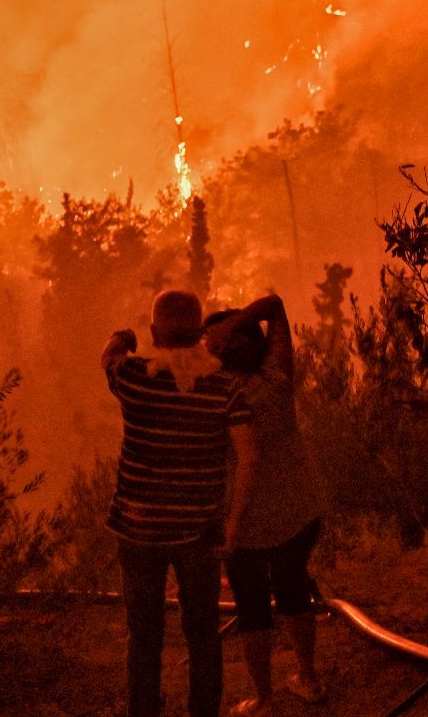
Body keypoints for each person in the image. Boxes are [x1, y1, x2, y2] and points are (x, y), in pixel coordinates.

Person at [102, 289, 258, 717]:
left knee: (144, 638)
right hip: (200, 533)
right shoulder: (223, 386)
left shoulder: (134, 378)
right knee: (203, 635)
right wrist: (234, 525)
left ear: (156, 332)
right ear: (199, 332)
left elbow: (109, 359)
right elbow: (250, 456)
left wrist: (122, 337)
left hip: (138, 529)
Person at [205, 293, 329, 717]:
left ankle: (263, 698)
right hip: (299, 506)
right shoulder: (276, 377)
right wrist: (236, 322)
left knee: (251, 606)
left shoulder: (216, 395)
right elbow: (276, 303)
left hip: (247, 518)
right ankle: (307, 678)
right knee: (293, 588)